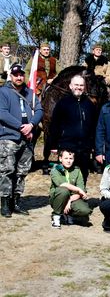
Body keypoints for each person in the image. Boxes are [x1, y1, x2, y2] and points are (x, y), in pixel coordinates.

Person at [0, 64, 43, 217]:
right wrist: (20, 127)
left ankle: (16, 202)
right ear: (10, 76)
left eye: (21, 74)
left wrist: (31, 125)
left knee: (22, 172)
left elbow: (39, 110)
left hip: (28, 138)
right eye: (16, 74)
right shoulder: (3, 92)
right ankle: (5, 203)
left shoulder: (30, 93)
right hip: (9, 138)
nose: (19, 77)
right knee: (7, 170)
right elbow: (2, 113)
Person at [48, 75, 98, 182]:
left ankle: (79, 197)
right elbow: (55, 125)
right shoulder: (62, 103)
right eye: (76, 85)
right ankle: (65, 198)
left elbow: (94, 126)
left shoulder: (89, 104)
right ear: (70, 86)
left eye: (81, 85)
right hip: (67, 146)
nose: (79, 87)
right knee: (66, 177)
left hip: (84, 148)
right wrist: (53, 144)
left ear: (84, 87)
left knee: (82, 176)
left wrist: (94, 145)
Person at [48, 149, 92, 229]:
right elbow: (62, 184)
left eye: (71, 158)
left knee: (85, 211)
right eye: (66, 158)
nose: (68, 161)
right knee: (63, 190)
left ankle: (68, 215)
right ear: (60, 159)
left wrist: (69, 200)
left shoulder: (77, 170)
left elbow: (82, 189)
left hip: (73, 198)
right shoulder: (55, 169)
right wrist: (78, 190)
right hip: (58, 197)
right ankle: (56, 217)